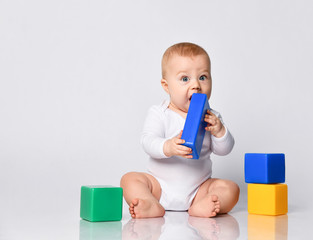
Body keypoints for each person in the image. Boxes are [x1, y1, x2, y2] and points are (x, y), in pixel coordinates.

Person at [120, 42, 240, 219]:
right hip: (159, 187)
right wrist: (168, 147)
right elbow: (147, 141)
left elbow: (225, 150)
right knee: (129, 180)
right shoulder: (160, 113)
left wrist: (220, 131)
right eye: (185, 79)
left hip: (199, 188)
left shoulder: (212, 116)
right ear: (166, 86)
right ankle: (150, 203)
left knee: (231, 189)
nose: (196, 85)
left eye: (203, 77)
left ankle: (200, 206)